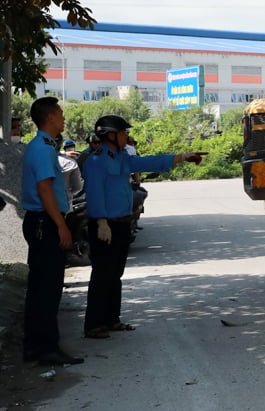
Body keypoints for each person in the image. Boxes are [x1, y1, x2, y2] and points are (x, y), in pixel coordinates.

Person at [80, 114, 203, 339]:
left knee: (115, 273)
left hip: (122, 224)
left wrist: (182, 157)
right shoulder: (96, 161)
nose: (127, 136)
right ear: (110, 134)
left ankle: (111, 319)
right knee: (102, 274)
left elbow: (149, 162)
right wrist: (100, 221)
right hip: (105, 225)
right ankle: (94, 324)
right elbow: (95, 193)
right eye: (123, 132)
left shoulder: (121, 158)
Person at [20, 96, 84, 365]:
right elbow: (45, 189)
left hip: (40, 222)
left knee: (39, 288)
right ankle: (47, 348)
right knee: (48, 289)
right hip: (46, 223)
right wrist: (61, 226)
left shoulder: (41, 146)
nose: (63, 117)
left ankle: (35, 346)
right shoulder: (44, 149)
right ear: (49, 118)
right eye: (59, 112)